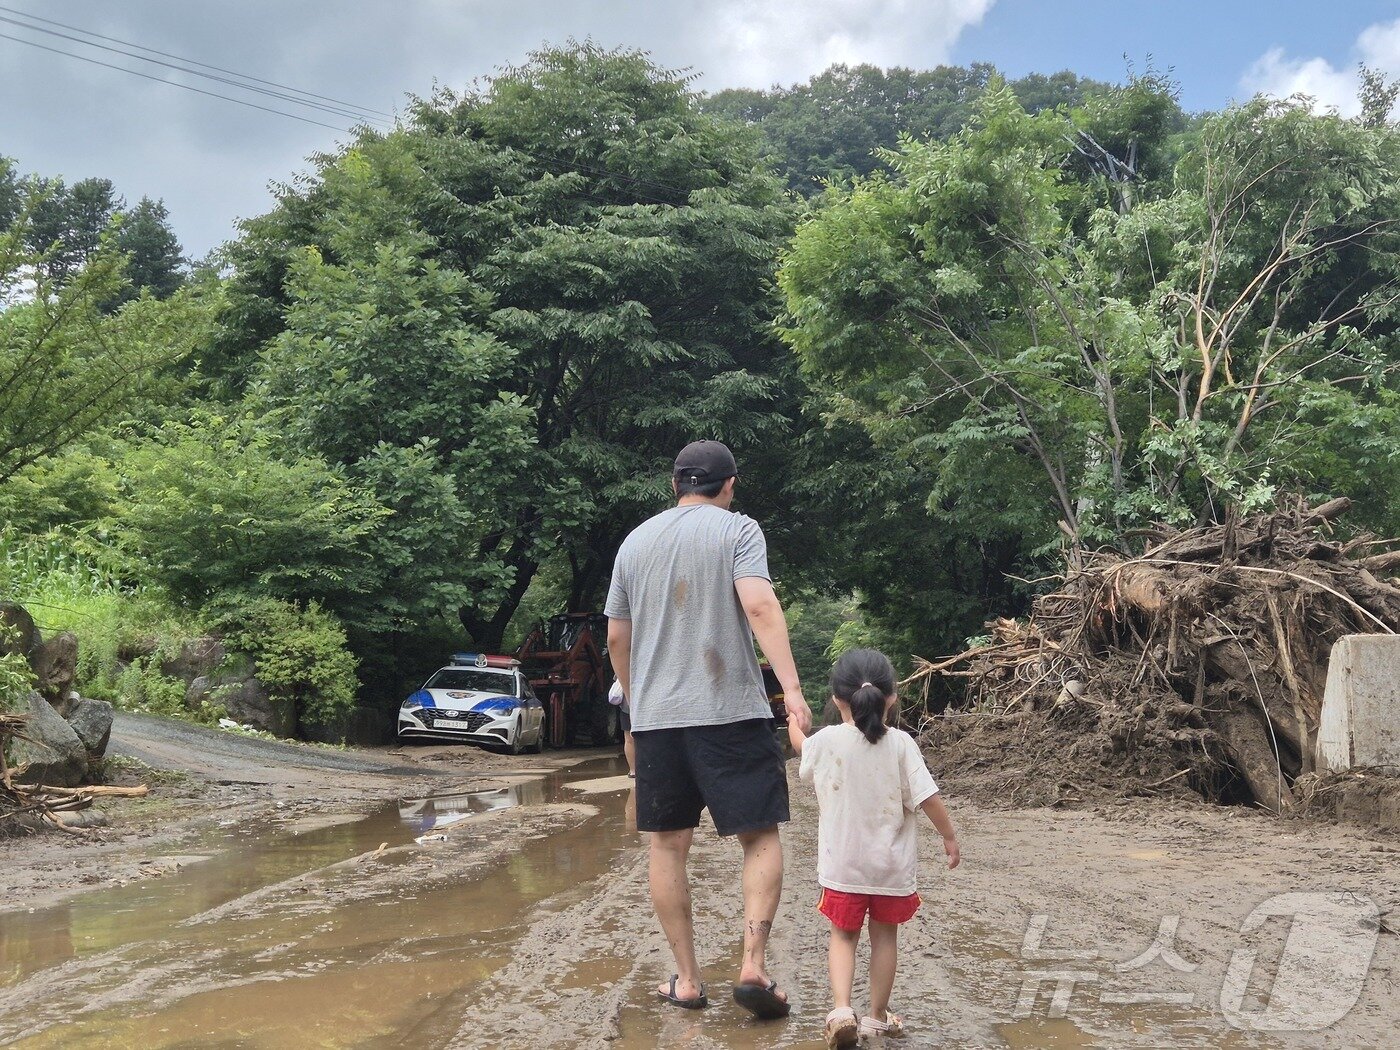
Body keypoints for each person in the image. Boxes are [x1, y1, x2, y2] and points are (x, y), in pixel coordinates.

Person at [606, 438, 813, 1020]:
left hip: (658, 722)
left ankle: (689, 980)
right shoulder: (739, 531)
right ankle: (752, 964)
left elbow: (617, 637)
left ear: (675, 485)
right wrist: (792, 691)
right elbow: (760, 606)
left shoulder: (634, 542)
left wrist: (636, 704)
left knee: (667, 846)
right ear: (729, 484)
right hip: (731, 714)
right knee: (759, 835)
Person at [787, 648, 960, 1049]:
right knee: (885, 939)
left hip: (843, 867)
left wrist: (796, 722)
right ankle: (877, 1019)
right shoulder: (901, 744)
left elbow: (802, 747)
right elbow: (928, 797)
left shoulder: (827, 741)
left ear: (837, 699)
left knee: (843, 937)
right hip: (890, 869)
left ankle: (842, 1011)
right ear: (891, 697)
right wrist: (948, 837)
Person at [608, 678, 635, 777]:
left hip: (626, 706)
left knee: (629, 739)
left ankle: (633, 770)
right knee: (648, 737)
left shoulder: (625, 664)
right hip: (645, 705)